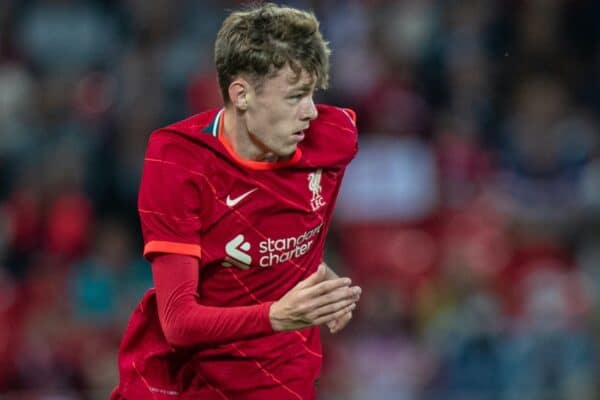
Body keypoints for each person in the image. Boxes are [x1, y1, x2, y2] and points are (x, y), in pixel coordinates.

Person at [111, 3, 361, 399]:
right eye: (295, 96)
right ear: (241, 94)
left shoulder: (334, 138)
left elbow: (290, 219)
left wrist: (314, 270)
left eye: (313, 93)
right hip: (187, 386)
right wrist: (279, 314)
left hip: (285, 385)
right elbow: (177, 321)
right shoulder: (179, 160)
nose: (311, 112)